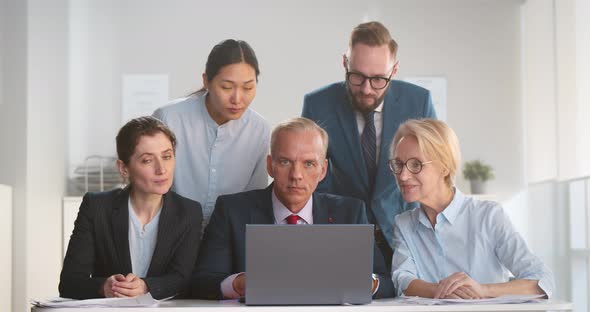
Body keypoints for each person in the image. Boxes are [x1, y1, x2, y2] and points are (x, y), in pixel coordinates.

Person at [190, 117, 394, 299]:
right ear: (270, 165)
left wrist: (368, 282)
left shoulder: (350, 212)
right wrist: (239, 283)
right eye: (285, 161)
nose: (296, 175)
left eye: (308, 164)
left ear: (323, 170)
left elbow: (386, 284)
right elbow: (202, 282)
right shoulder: (232, 211)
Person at [302, 21, 436, 269]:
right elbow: (312, 179)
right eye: (357, 76)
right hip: (341, 237)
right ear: (345, 62)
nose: (366, 89)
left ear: (394, 70)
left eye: (377, 79)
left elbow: (433, 173)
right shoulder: (317, 104)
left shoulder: (419, 102)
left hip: (406, 238)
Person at [390, 118, 554, 298]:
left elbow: (543, 281)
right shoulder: (404, 224)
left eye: (415, 164)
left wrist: (483, 291)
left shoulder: (489, 216)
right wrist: (441, 291)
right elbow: (402, 279)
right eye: (399, 164)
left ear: (444, 167)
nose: (403, 176)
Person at [59, 116, 203, 299]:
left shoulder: (189, 212)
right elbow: (70, 282)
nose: (162, 169)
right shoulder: (96, 207)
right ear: (123, 168)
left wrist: (146, 286)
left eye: (167, 157)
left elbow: (184, 279)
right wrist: (104, 287)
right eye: (147, 160)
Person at [153, 39, 270, 227]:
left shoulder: (259, 129)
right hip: (172, 233)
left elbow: (253, 199)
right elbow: (150, 188)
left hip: (227, 238)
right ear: (206, 81)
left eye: (248, 87)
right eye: (227, 87)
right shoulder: (169, 119)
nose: (237, 98)